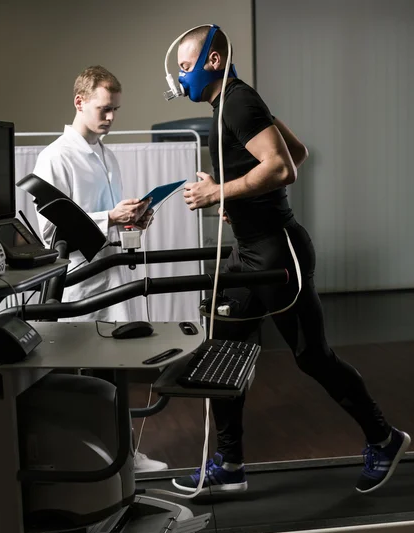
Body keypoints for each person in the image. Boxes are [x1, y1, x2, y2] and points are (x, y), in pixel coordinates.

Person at [169, 25, 411, 494]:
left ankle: (383, 438)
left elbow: (284, 168)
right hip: (250, 252)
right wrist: (234, 198)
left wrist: (220, 191)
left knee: (312, 357)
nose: (180, 77)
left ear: (212, 62)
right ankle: (231, 463)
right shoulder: (232, 104)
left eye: (185, 66)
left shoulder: (238, 101)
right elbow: (293, 150)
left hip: (278, 254)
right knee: (222, 349)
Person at [34, 65, 167, 474]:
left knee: (114, 372)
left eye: (116, 111)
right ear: (80, 102)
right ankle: (88, 460)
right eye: (104, 109)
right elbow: (48, 230)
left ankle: (123, 454)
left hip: (112, 274)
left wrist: (133, 220)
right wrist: (110, 216)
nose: (111, 118)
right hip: (79, 284)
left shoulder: (108, 155)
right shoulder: (55, 156)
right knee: (85, 378)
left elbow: (108, 220)